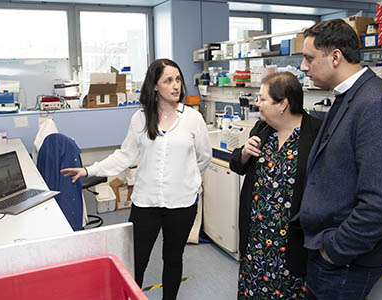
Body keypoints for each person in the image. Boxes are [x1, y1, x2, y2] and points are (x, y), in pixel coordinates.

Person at [61, 58, 212, 300]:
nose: (176, 86)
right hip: (146, 203)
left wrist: (188, 181)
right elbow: (124, 156)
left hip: (182, 204)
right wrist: (89, 170)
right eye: (168, 80)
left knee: (173, 259)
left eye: (178, 80)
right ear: (155, 86)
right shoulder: (140, 119)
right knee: (137, 261)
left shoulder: (192, 119)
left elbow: (204, 157)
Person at [299, 19, 382, 299]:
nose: (303, 67)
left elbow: (381, 204)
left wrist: (333, 250)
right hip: (331, 251)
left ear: (335, 57)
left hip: (346, 260)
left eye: (308, 58)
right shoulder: (349, 95)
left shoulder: (376, 103)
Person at [230, 72, 322, 299]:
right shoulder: (263, 129)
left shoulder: (317, 133)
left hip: (290, 244)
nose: (257, 104)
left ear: (282, 104)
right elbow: (237, 165)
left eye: (262, 99)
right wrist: (243, 153)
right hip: (256, 240)